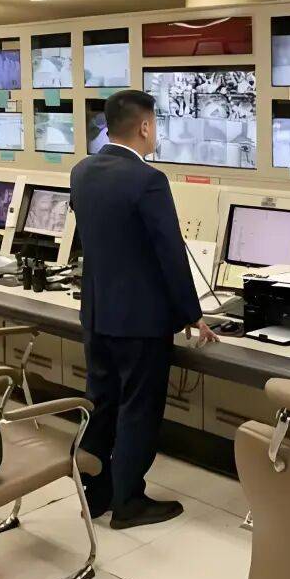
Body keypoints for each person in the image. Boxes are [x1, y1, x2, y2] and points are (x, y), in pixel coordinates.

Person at [71, 89, 216, 529]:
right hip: (139, 321)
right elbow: (169, 252)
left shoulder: (82, 171)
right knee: (138, 409)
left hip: (97, 314)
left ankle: (96, 494)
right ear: (145, 127)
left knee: (101, 404)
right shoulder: (148, 180)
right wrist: (192, 313)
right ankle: (129, 501)